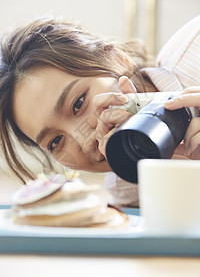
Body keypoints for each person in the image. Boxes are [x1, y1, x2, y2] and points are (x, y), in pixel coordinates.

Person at [0, 15, 200, 207]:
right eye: (55, 142)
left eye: (78, 103)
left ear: (117, 60)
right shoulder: (128, 187)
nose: (86, 142)